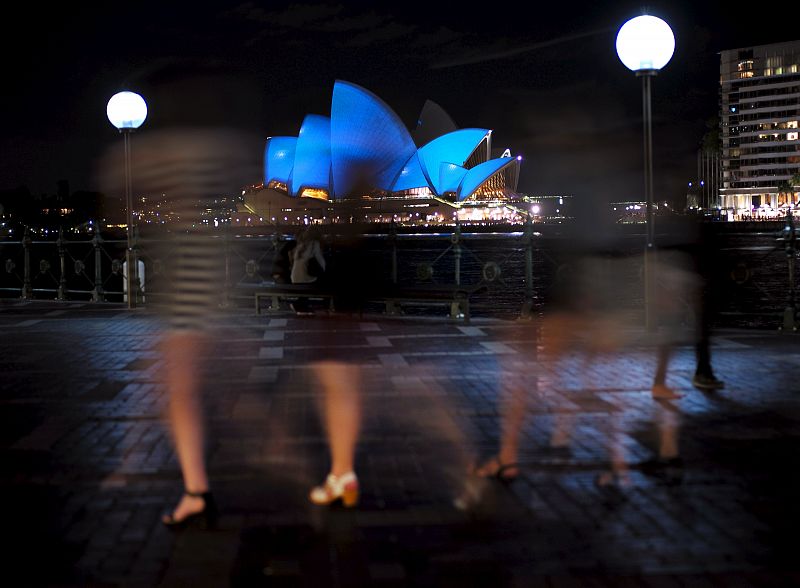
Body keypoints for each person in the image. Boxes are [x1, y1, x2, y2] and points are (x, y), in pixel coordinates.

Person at [289, 226, 326, 315]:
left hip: (294, 277)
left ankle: (301, 306)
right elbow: (320, 259)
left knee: (305, 287)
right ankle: (298, 305)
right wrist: (324, 269)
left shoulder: (301, 244)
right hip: (305, 277)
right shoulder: (314, 244)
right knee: (318, 281)